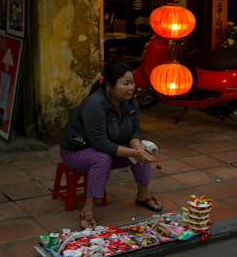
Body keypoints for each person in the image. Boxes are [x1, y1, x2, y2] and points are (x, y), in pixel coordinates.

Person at [60, 63, 162, 229]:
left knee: (142, 149)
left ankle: (143, 195)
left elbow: (135, 130)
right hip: (76, 153)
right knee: (103, 159)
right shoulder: (95, 105)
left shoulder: (130, 101)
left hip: (110, 149)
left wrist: (136, 146)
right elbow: (100, 144)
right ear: (109, 86)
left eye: (132, 82)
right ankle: (88, 209)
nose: (131, 87)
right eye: (126, 83)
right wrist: (134, 153)